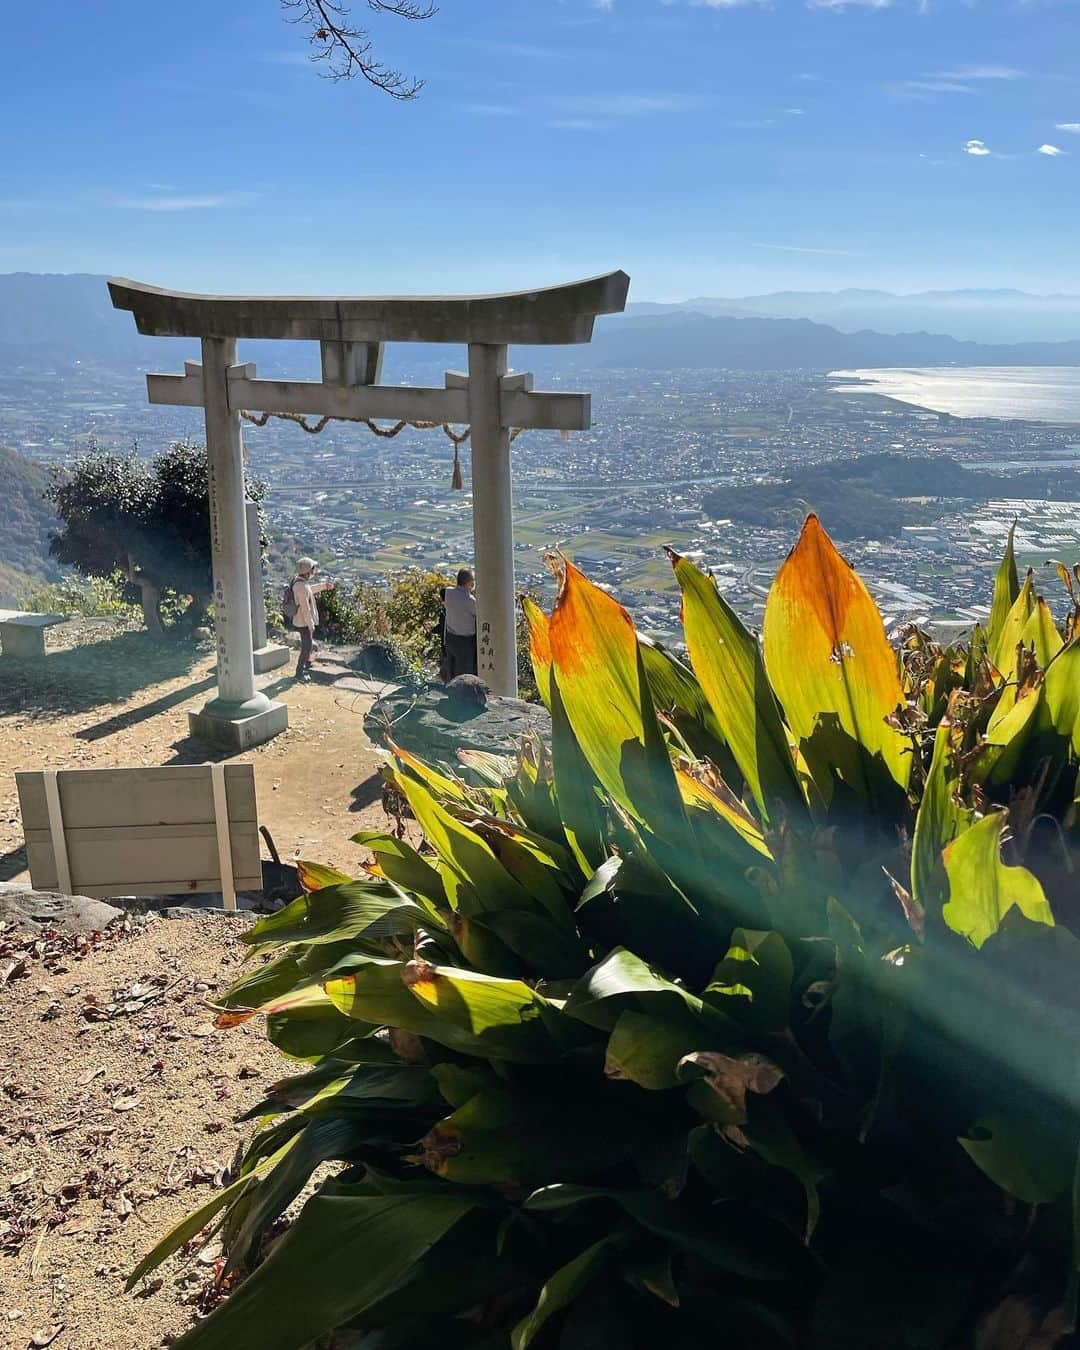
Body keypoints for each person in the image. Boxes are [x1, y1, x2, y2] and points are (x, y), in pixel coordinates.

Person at [290, 557, 333, 681]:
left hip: (302, 620)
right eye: (313, 568)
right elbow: (305, 608)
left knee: (307, 645)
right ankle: (299, 673)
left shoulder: (300, 582)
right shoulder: (301, 586)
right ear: (308, 570)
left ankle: (306, 664)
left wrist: (324, 586)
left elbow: (310, 590)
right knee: (307, 646)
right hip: (303, 621)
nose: (314, 571)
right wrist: (310, 624)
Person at [442, 567, 477, 679]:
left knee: (451, 670)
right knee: (464, 674)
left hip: (450, 638)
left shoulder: (448, 593)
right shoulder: (470, 600)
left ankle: (450, 692)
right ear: (470, 583)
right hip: (465, 642)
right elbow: (480, 614)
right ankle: (462, 695)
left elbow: (442, 593)